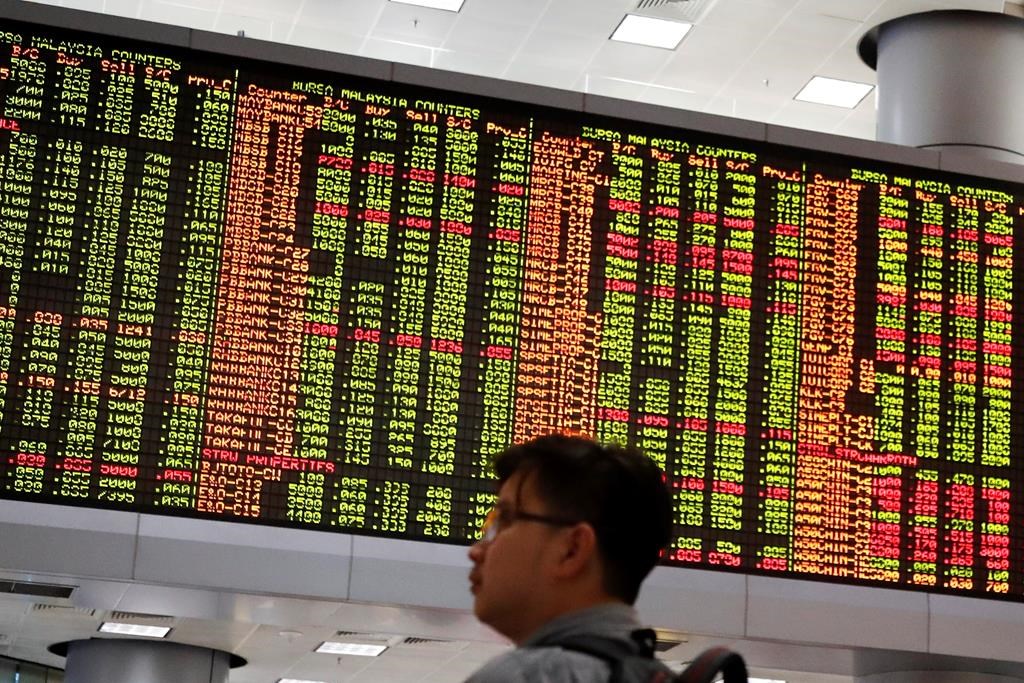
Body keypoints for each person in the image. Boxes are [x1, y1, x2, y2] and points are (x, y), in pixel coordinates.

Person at [466, 433, 674, 682]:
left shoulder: (523, 676)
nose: (476, 551)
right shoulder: (664, 677)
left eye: (505, 520)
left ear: (572, 549)